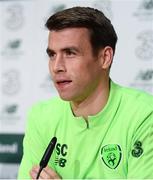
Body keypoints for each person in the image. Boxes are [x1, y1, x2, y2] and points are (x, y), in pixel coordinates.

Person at [18, 6, 153, 179]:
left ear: (105, 58)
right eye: (52, 54)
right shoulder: (41, 117)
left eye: (70, 53)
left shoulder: (144, 115)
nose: (56, 67)